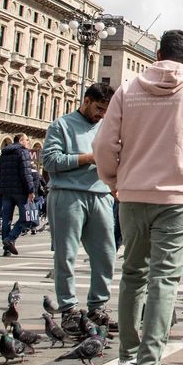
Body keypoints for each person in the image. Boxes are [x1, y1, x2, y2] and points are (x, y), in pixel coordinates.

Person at [95, 28, 183, 365]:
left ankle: (126, 357)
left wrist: (112, 179)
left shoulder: (128, 90)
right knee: (163, 280)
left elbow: (104, 142)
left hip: (132, 195)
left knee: (133, 274)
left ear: (156, 53)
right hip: (178, 198)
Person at [43, 83, 116, 330]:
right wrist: (87, 158)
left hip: (101, 194)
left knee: (106, 254)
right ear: (86, 101)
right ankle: (68, 309)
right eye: (98, 108)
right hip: (67, 194)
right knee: (66, 255)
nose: (102, 114)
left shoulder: (109, 128)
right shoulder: (61, 125)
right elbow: (50, 161)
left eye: (106, 110)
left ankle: (98, 307)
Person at [0, 133, 40, 256]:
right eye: (27, 140)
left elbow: (0, 174)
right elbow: (26, 173)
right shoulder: (23, 152)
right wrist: (31, 190)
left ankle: (6, 249)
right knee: (26, 217)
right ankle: (10, 239)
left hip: (6, 192)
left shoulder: (3, 154)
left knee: (6, 220)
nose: (28, 142)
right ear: (21, 141)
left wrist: (3, 187)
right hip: (21, 192)